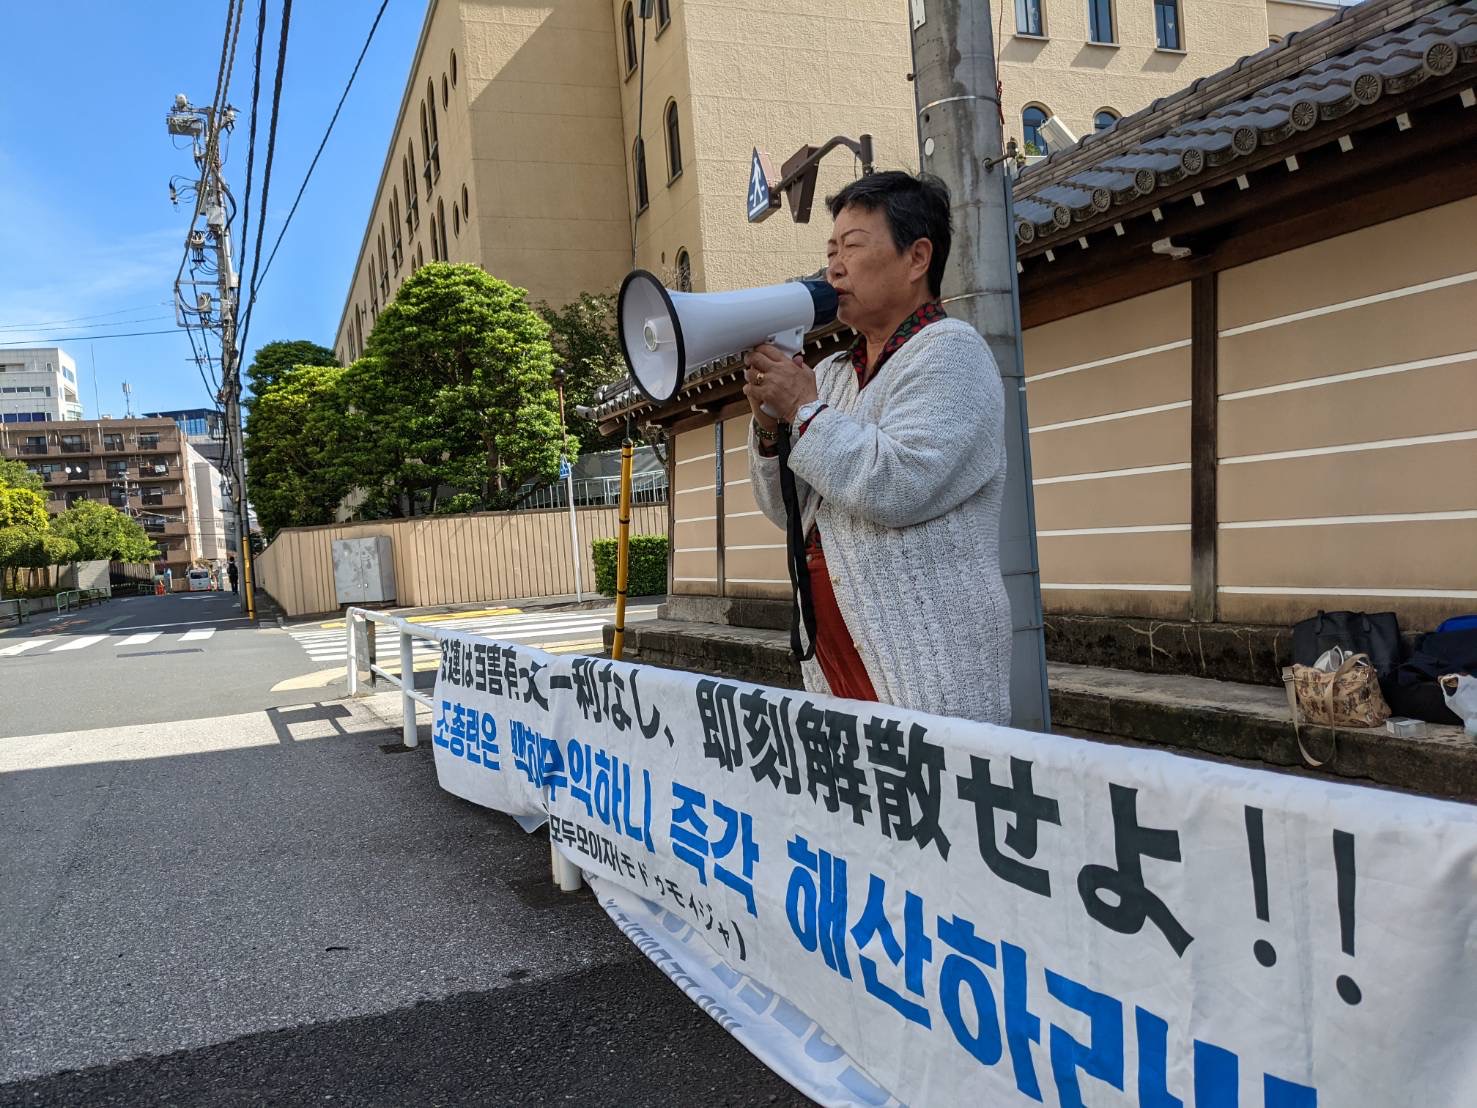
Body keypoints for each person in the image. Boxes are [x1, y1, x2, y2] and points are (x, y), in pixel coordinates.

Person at [744, 170, 1012, 725]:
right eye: (830, 251)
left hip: (931, 678)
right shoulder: (832, 373)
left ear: (917, 258)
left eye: (853, 246)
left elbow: (899, 484)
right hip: (839, 671)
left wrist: (802, 411)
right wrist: (770, 425)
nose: (834, 268)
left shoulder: (952, 353)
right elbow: (790, 512)